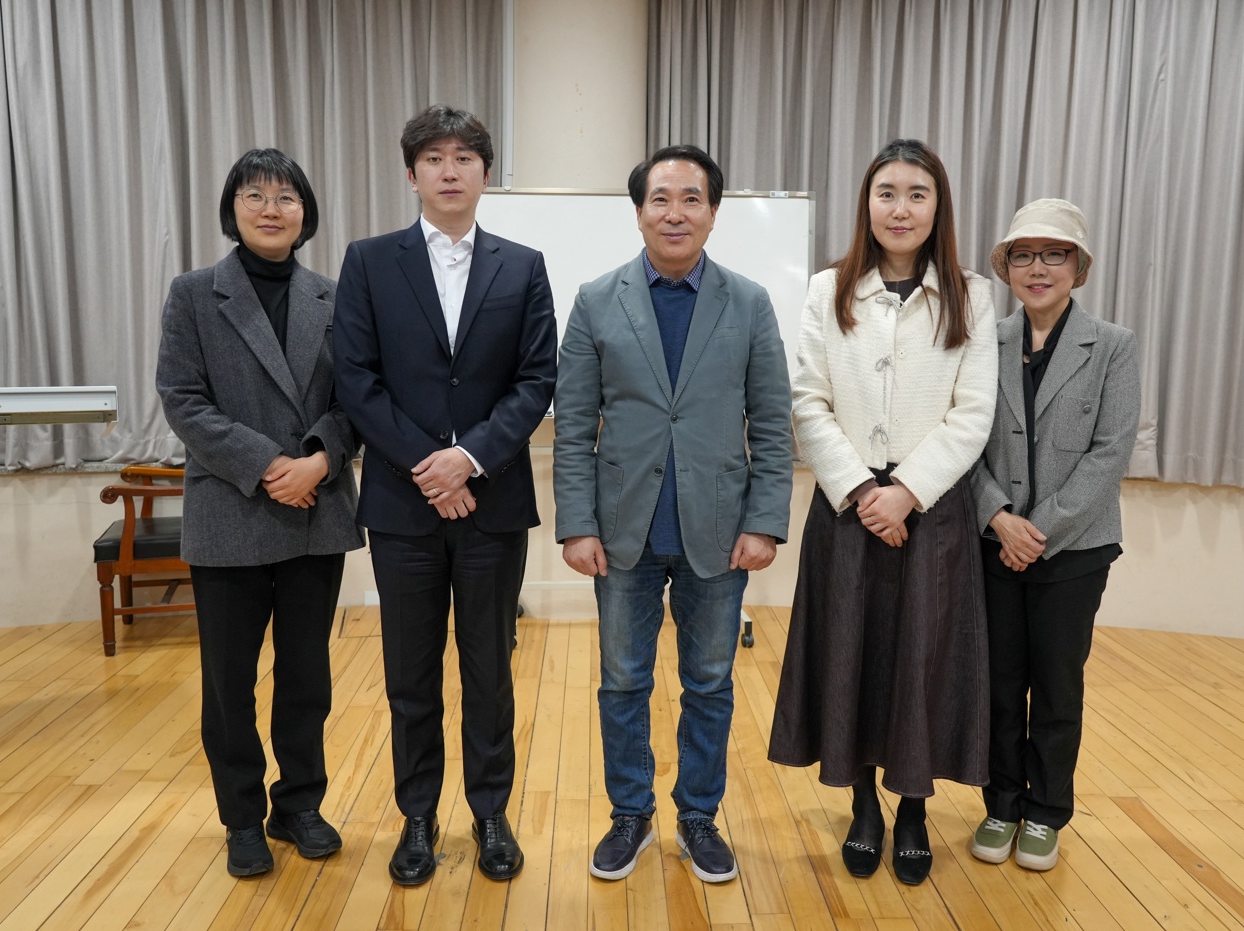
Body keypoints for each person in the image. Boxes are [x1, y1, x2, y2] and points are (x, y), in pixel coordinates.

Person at [553, 144, 794, 884]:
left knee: (710, 683)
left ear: (713, 213)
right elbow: (574, 425)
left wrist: (765, 520)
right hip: (620, 532)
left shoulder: (748, 302)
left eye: (692, 199)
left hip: (719, 532)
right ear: (639, 212)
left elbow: (772, 423)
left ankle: (698, 815)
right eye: (661, 198)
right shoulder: (597, 299)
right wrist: (576, 523)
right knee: (622, 682)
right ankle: (630, 813)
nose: (676, 212)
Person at [332, 105, 556, 885]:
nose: (450, 170)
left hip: (493, 504)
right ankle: (418, 817)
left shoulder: (522, 266)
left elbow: (536, 379)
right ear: (411, 173)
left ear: (485, 173)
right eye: (434, 157)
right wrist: (429, 466)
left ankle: (491, 812)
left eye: (464, 157)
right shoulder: (369, 261)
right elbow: (356, 379)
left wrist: (469, 459)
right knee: (410, 672)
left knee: (490, 669)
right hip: (403, 505)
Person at [767, 139, 997, 885]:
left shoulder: (971, 293)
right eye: (887, 193)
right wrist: (866, 493)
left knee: (923, 659)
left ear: (939, 207)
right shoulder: (827, 289)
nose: (901, 209)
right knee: (852, 655)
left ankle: (915, 808)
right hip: (848, 508)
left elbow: (974, 412)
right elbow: (808, 400)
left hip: (932, 511)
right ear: (866, 203)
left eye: (917, 194)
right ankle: (864, 802)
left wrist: (907, 491)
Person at [156, 148, 364, 878]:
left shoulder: (334, 296)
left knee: (307, 677)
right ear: (232, 209)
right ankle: (241, 816)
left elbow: (358, 398)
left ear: (306, 212)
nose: (271, 209)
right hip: (231, 509)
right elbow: (183, 400)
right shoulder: (193, 294)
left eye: (286, 197)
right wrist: (271, 467)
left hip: (316, 509)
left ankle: (298, 804)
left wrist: (319, 458)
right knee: (229, 684)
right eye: (255, 195)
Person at [967, 199, 1140, 871]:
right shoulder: (983, 342)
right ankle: (1002, 802)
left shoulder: (1114, 346)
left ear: (1079, 267)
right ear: (1006, 267)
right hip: (994, 543)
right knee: (1000, 683)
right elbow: (963, 441)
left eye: (1054, 254)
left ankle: (1045, 811)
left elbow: (1110, 452)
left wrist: (1037, 529)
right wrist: (997, 517)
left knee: (1057, 686)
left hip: (1076, 549)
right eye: (1023, 255)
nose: (1038, 268)